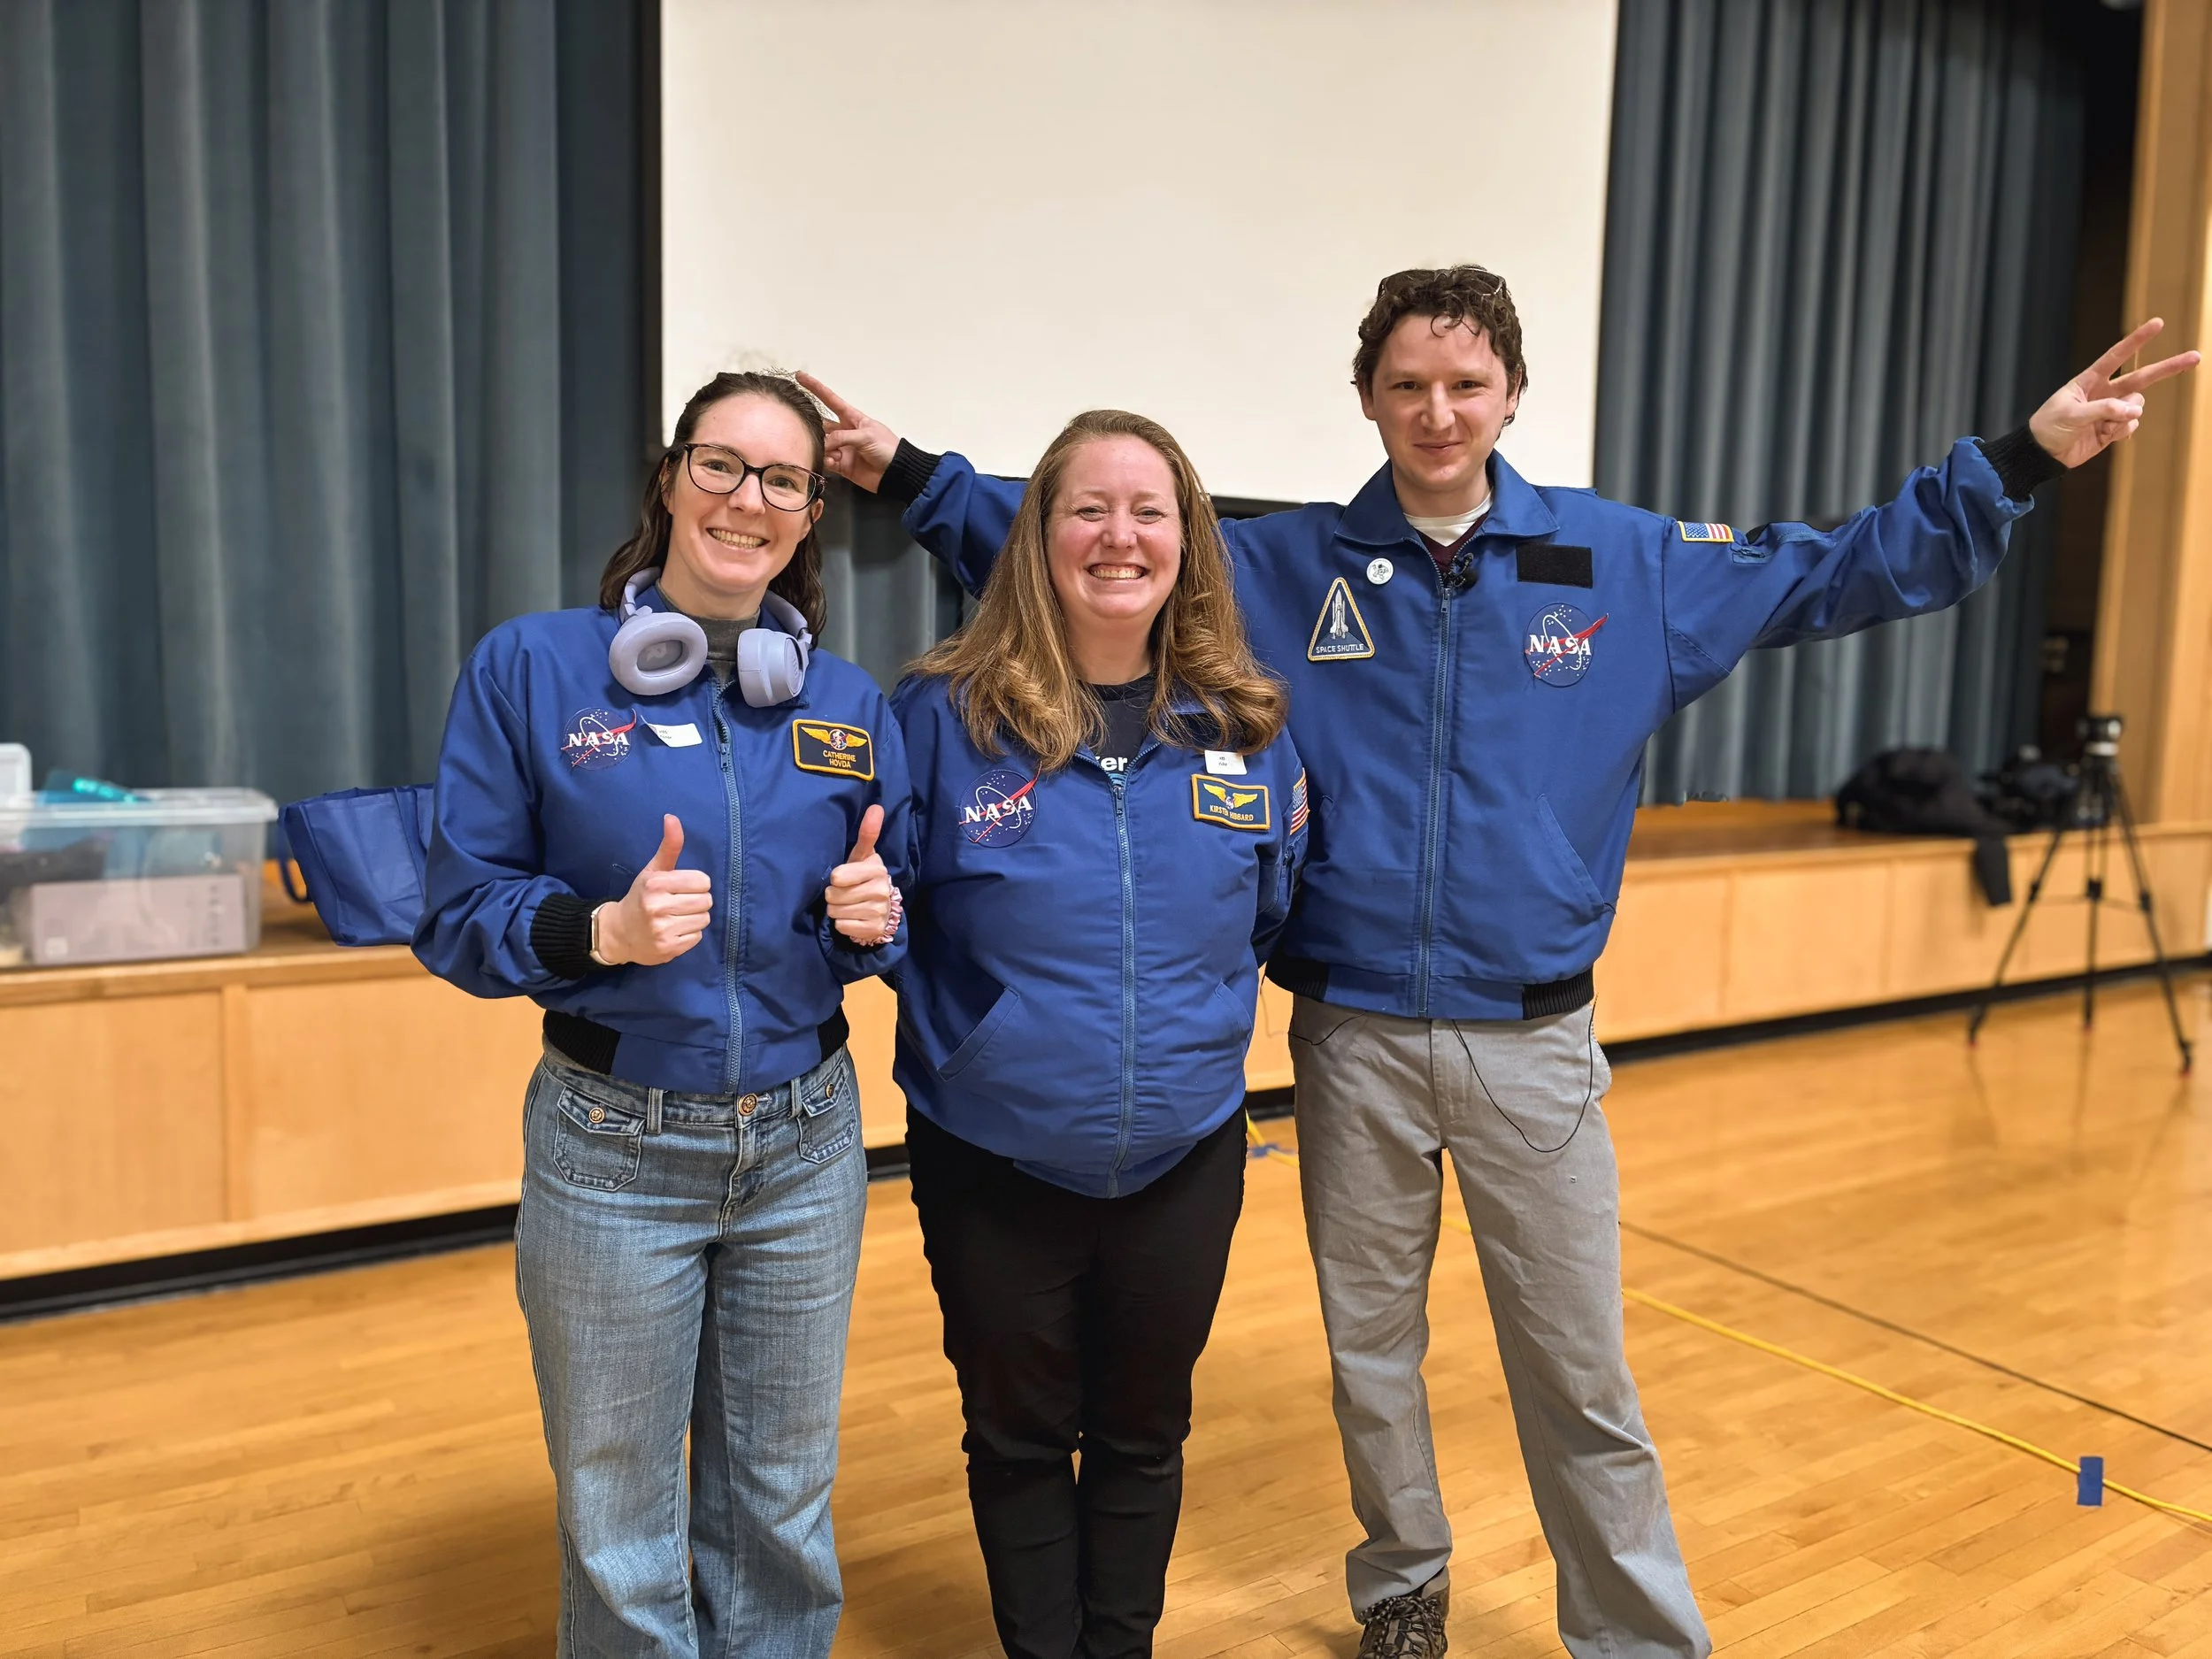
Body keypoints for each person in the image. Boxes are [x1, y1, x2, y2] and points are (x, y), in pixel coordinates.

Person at [797, 278, 2198, 1659]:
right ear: (1368, 400)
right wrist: (911, 473)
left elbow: (1835, 568)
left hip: (1533, 1042)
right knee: (1372, 1355)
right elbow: (1091, 542)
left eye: (1465, 384)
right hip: (1348, 1038)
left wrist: (2021, 459)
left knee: (1581, 1373)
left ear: (1513, 395)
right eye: (1407, 385)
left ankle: (1637, 1633)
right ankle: (1401, 1584)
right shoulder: (1285, 565)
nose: (1437, 411)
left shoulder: (1625, 561)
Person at [415, 372, 912, 1658]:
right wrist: (600, 932)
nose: (748, 500)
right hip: (612, 1147)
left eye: (783, 480)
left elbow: (880, 917)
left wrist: (876, 921)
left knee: (782, 1513)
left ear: (812, 515)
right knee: (621, 1523)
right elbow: (458, 908)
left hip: (806, 1145)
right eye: (722, 465)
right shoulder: (531, 666)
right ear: (671, 477)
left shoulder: (849, 705)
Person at [889, 409, 1307, 1659]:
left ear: (1189, 540)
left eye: (1149, 509)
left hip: (1184, 1156)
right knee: (1016, 1436)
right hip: (994, 1159)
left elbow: (1269, 908)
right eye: (1088, 507)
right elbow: (879, 913)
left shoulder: (1248, 728)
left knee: (1144, 1431)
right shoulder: (941, 716)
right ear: (1039, 535)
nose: (1118, 535)